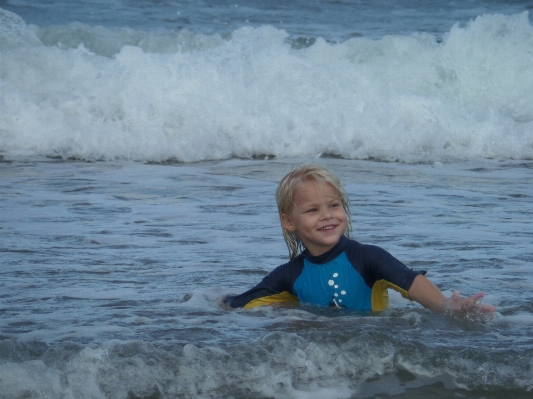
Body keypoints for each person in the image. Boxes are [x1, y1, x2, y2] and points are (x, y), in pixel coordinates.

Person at [224, 164, 495, 319]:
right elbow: (240, 303)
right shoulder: (289, 274)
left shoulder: (368, 258)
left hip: (373, 346)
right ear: (289, 222)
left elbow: (410, 282)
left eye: (333, 205)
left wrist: (445, 306)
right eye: (312, 210)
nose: (327, 216)